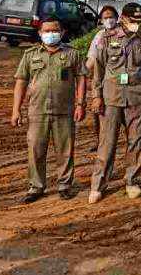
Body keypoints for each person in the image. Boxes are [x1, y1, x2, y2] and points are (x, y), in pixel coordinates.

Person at [11, 16, 87, 203]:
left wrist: (80, 104)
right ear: (40, 33)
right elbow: (21, 82)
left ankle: (65, 186)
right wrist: (16, 110)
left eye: (54, 31)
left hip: (65, 110)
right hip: (37, 110)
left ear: (62, 33)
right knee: (35, 150)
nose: (51, 34)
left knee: (65, 150)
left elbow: (82, 79)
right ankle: (36, 187)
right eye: (47, 31)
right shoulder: (30, 54)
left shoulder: (72, 54)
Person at [89, 2, 141, 204]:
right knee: (106, 143)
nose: (137, 24)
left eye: (140, 21)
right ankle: (98, 185)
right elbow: (98, 69)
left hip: (136, 97)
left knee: (136, 141)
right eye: (133, 20)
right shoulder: (106, 38)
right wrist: (96, 95)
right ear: (123, 19)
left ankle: (132, 181)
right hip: (111, 98)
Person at [86, 5, 121, 152]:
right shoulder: (99, 36)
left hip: (118, 81)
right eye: (105, 17)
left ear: (117, 18)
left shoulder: (122, 34)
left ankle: (110, 142)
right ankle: (100, 140)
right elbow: (92, 58)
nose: (109, 20)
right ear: (101, 20)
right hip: (102, 78)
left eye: (111, 17)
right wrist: (83, 74)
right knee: (98, 110)